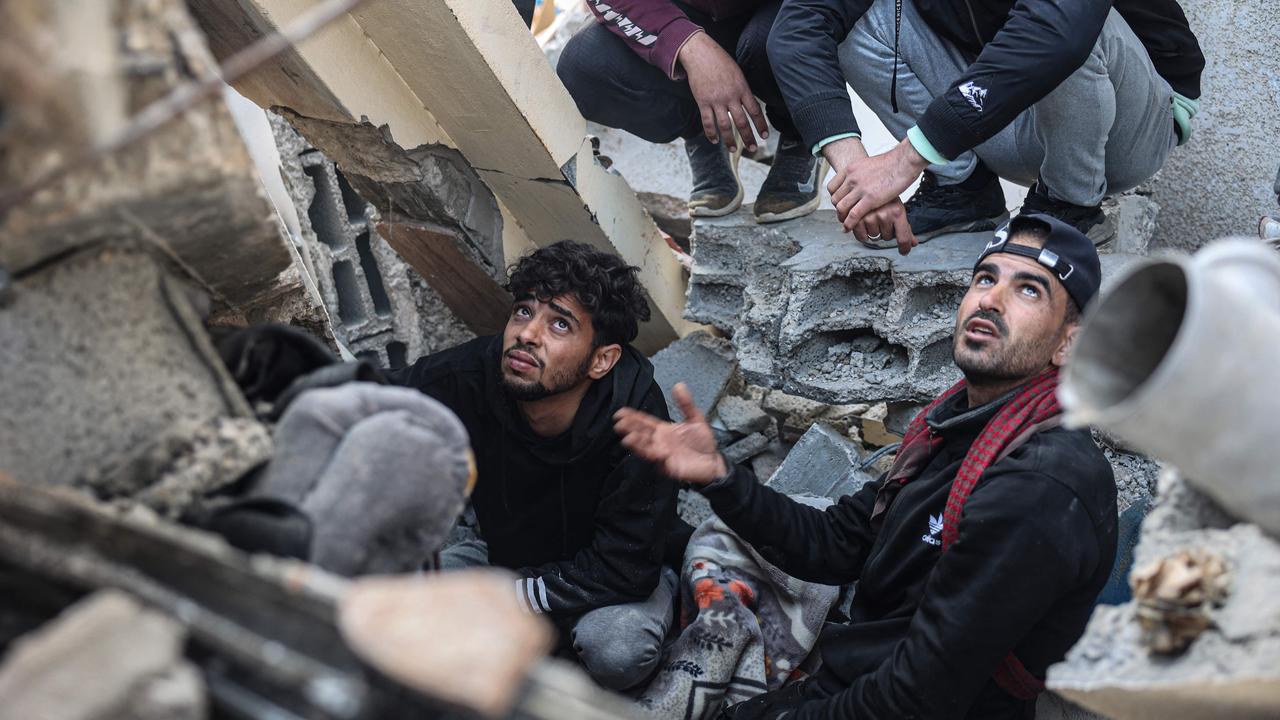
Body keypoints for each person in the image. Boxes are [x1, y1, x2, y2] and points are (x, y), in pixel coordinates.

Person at [615, 215, 1118, 718]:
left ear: (1068, 343)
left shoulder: (1039, 486)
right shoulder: (958, 426)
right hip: (862, 676)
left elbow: (916, 697)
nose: (990, 299)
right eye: (986, 278)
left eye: (1029, 290)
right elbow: (838, 543)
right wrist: (719, 476)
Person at [386, 240, 680, 692]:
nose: (527, 334)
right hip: (505, 558)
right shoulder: (478, 371)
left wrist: (506, 598)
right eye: (523, 311)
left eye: (559, 324)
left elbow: (623, 568)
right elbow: (376, 399)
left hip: (607, 579)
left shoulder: (638, 416)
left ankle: (669, 592)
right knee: (392, 606)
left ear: (602, 359)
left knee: (616, 650)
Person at [766, 0, 1203, 252]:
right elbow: (799, 25)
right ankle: (961, 189)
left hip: (1129, 129)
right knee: (864, 19)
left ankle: (1071, 203)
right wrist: (858, 175)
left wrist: (904, 159)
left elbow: (1059, 34)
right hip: (1008, 115)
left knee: (1068, 24)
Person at [557, 1, 827, 224]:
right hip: (688, 9)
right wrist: (684, 43)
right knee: (585, 67)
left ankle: (801, 132)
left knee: (772, 41)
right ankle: (704, 128)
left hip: (778, 11)